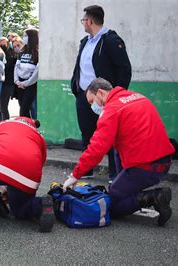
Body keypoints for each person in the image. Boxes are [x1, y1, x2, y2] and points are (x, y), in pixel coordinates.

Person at [63, 78, 175, 226]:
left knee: (111, 205)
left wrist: (75, 175)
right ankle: (123, 186)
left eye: (91, 102)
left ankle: (154, 197)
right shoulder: (138, 97)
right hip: (163, 161)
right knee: (116, 146)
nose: (92, 106)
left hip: (146, 166)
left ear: (101, 93)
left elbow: (97, 148)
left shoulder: (111, 110)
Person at [70, 5, 132, 180]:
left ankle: (115, 174)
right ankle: (86, 170)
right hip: (84, 95)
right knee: (87, 133)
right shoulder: (85, 42)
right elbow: (80, 67)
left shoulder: (111, 40)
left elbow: (124, 70)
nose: (83, 23)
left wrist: (117, 96)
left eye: (84, 20)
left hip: (106, 99)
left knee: (111, 136)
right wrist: (76, 87)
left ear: (90, 21)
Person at [14, 28, 39, 118]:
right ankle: (27, 128)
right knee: (22, 108)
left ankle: (29, 128)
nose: (23, 38)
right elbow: (16, 67)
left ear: (32, 37)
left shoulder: (38, 52)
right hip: (20, 84)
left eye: (25, 36)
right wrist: (17, 81)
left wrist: (26, 83)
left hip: (30, 85)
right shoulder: (22, 51)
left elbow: (37, 71)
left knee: (24, 108)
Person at [0, 36, 17, 122]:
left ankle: (5, 125)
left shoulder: (12, 55)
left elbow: (9, 67)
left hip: (7, 83)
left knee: (3, 106)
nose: (3, 45)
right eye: (1, 44)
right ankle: (0, 124)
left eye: (5, 44)